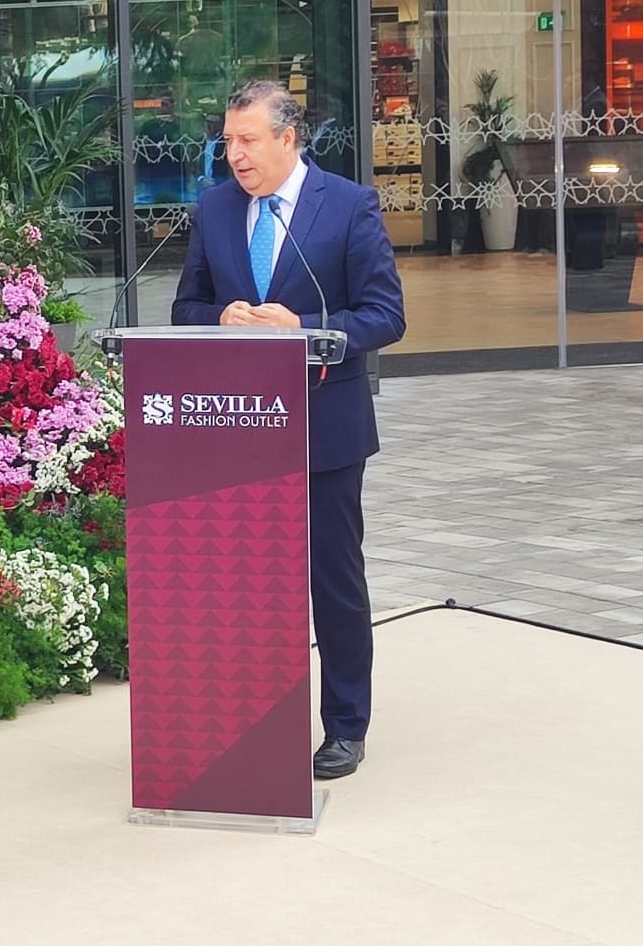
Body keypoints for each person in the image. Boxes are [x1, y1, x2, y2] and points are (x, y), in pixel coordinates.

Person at [170, 80, 406, 781]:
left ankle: (344, 725)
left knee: (330, 580)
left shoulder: (349, 205)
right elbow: (185, 304)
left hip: (324, 428)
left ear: (287, 138)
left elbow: (384, 315)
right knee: (246, 581)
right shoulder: (213, 210)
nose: (233, 154)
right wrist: (221, 318)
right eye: (227, 140)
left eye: (246, 140)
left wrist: (302, 328)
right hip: (236, 428)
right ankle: (247, 715)